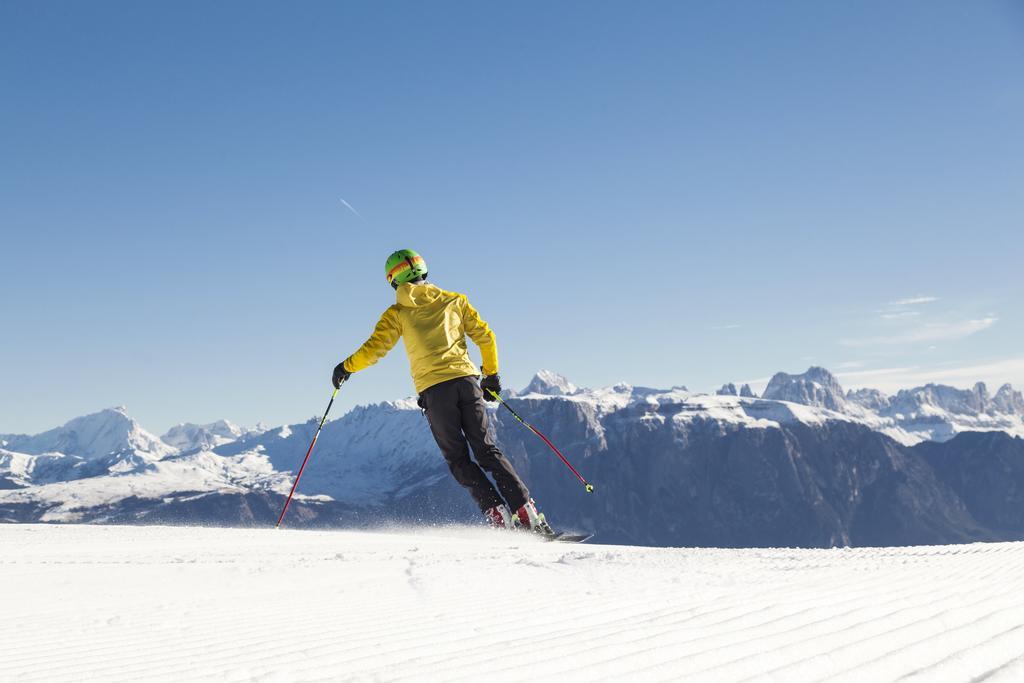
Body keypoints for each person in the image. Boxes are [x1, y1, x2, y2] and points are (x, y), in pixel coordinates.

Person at [331, 249, 553, 534]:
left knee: (459, 459)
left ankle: (498, 517)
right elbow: (486, 337)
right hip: (467, 383)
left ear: (392, 280)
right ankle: (526, 513)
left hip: (435, 392)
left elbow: (375, 350)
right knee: (487, 450)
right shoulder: (455, 301)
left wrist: (346, 368)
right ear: (424, 271)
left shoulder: (397, 313)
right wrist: (491, 376)